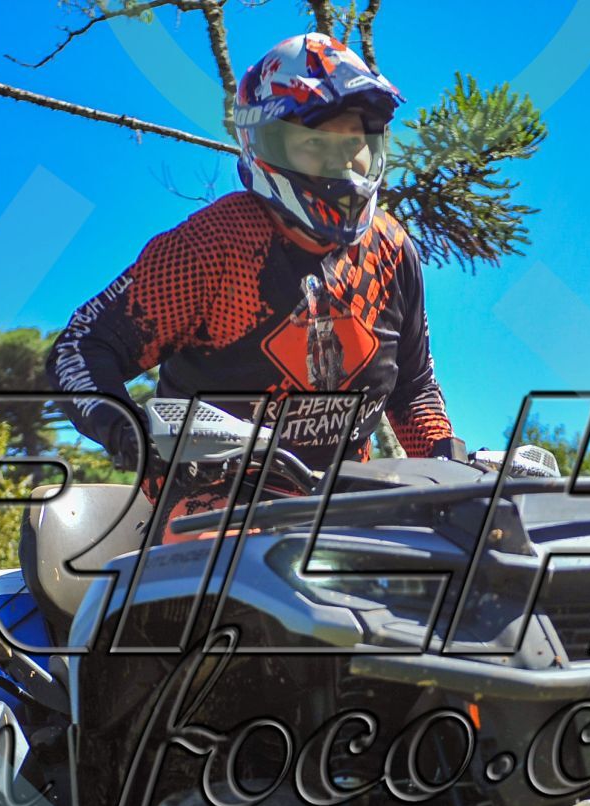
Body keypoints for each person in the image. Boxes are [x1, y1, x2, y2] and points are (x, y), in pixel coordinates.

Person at [48, 32, 458, 503]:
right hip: (206, 506)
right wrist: (131, 432)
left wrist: (446, 461)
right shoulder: (213, 245)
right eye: (315, 141)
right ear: (266, 144)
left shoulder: (390, 249)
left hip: (345, 511)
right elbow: (80, 347)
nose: (343, 162)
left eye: (353, 141)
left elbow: (412, 386)